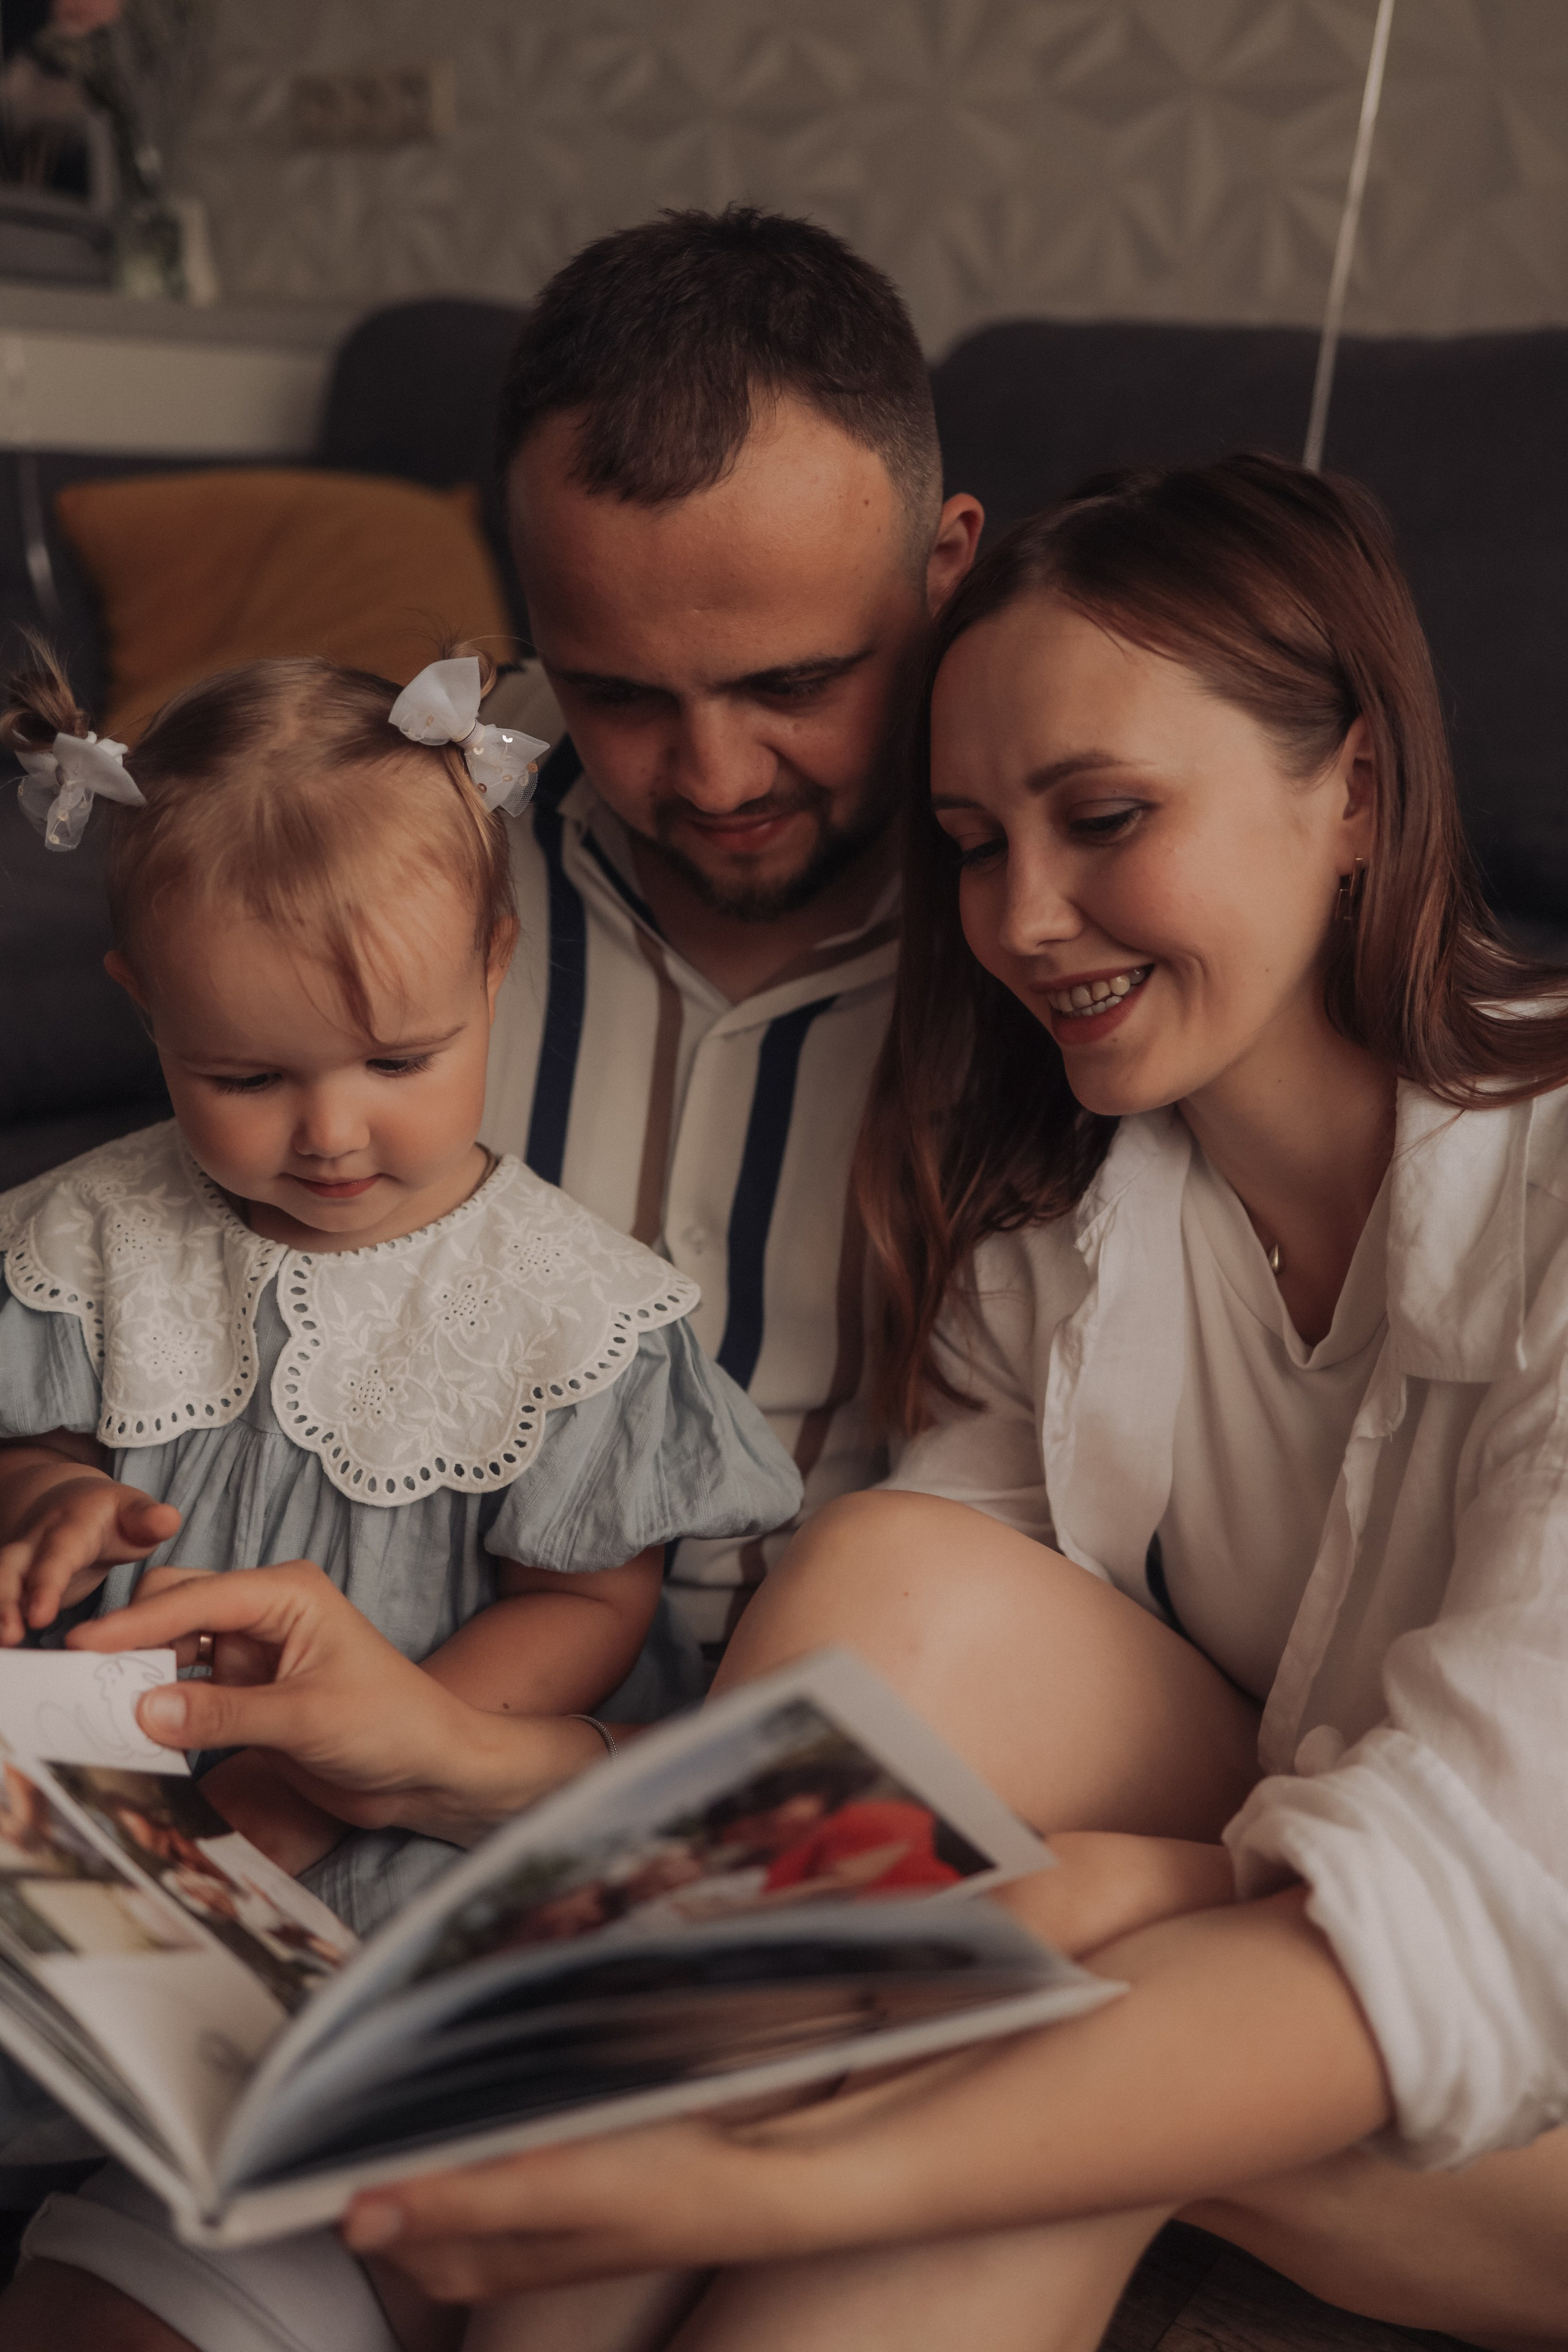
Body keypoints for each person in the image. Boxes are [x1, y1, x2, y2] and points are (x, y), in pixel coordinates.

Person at [13, 449, 1568, 2352]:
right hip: (1248, 1857)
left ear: (1361, 793)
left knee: (980, 2012)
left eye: (1104, 816)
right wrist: (436, 1761)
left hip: (1520, 2090)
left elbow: (1468, 1921)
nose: (1027, 920)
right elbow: (851, 1771)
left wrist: (772, 2163)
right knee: (897, 1585)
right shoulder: (1066, 1238)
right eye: (980, 844)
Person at [0, 643, 801, 1944]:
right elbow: (37, 1430)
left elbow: (589, 1602)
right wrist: (56, 1500)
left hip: (412, 1810)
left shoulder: (566, 1307)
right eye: (247, 1080)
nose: (329, 1134)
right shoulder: (94, 1230)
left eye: (395, 1061)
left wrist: (340, 1769)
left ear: (493, 968)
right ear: (146, 1011)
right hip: (115, 1781)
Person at [475, 203, 982, 1663]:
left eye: (793, 682)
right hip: (425, 1662)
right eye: (619, 696)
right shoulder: (411, 834)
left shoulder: (1057, 914)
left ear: (945, 571)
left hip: (858, 1691)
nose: (712, 779)